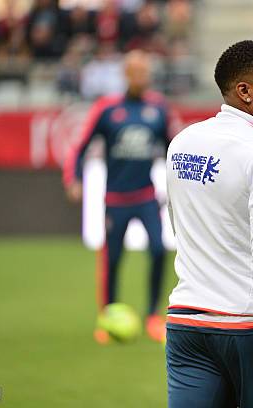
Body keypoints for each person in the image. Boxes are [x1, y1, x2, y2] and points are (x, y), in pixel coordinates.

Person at [165, 40, 253, 408]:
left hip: (186, 324)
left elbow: (180, 226)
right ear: (244, 91)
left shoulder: (182, 142)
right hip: (250, 328)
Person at [63, 50, 176, 344]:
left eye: (145, 71)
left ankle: (153, 316)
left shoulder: (159, 110)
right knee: (112, 260)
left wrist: (180, 184)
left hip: (147, 196)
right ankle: (107, 316)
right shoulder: (107, 109)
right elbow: (80, 146)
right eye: (136, 71)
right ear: (126, 75)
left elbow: (174, 150)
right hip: (115, 199)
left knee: (157, 250)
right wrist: (73, 178)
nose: (142, 77)